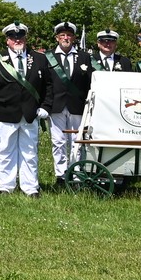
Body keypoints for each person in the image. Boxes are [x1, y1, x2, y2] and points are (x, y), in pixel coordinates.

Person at [0, 22, 49, 196]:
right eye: (13, 37)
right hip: (5, 113)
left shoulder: (39, 59)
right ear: (7, 40)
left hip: (30, 114)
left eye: (20, 36)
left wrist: (45, 107)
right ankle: (6, 186)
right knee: (4, 151)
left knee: (30, 152)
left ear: (26, 38)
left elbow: (48, 86)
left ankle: (30, 187)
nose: (17, 40)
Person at [42, 22, 95, 178]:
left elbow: (89, 82)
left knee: (76, 141)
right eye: (62, 35)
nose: (66, 38)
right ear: (57, 38)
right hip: (56, 105)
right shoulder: (47, 57)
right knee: (58, 142)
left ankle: (76, 173)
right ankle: (61, 174)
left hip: (77, 105)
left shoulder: (84, 57)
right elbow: (45, 83)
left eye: (69, 35)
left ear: (74, 38)